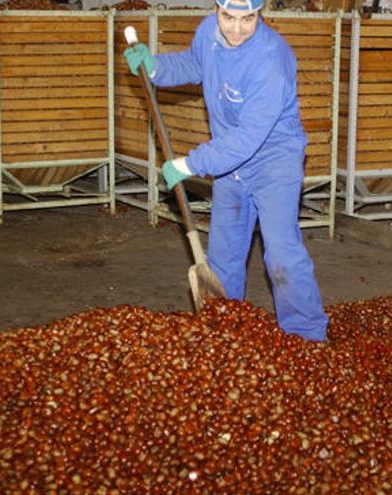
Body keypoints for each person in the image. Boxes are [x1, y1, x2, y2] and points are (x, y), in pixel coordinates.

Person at [123, 0, 328, 342]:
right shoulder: (208, 31)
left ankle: (306, 337)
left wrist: (191, 163)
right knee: (224, 254)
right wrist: (155, 67)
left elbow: (248, 138)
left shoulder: (271, 59)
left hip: (273, 159)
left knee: (281, 254)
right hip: (231, 161)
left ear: (259, 14)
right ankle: (225, 331)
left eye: (247, 19)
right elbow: (193, 63)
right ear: (217, 9)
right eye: (228, 17)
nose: (236, 29)